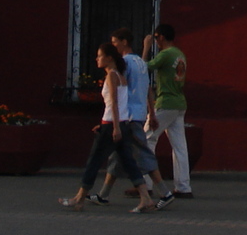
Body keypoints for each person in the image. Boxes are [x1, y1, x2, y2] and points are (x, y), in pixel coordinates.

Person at [59, 43, 156, 213]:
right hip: (121, 124)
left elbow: (115, 103)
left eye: (100, 55)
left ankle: (79, 199)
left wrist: (115, 127)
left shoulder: (112, 76)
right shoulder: (121, 76)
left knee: (94, 161)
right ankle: (146, 198)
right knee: (129, 162)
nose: (97, 59)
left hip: (112, 126)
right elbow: (119, 104)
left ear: (109, 57)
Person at [98, 27, 173, 207]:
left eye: (115, 42)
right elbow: (147, 88)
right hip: (137, 114)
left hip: (128, 116)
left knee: (142, 153)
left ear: (124, 42)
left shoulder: (124, 63)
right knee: (118, 155)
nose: (113, 46)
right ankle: (103, 194)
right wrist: (151, 113)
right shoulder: (140, 62)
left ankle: (165, 192)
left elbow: (120, 91)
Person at [142, 23, 191, 198]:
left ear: (161, 37)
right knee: (180, 147)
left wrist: (145, 48)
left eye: (155, 38)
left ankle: (145, 185)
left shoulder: (165, 54)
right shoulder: (180, 54)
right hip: (179, 103)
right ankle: (183, 186)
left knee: (147, 139)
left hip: (166, 102)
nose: (155, 41)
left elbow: (143, 68)